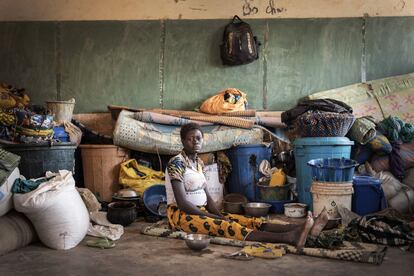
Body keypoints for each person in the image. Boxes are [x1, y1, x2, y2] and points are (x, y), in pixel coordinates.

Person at [165, 123, 328, 249]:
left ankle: (300, 227)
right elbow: (182, 203)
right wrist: (212, 217)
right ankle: (289, 237)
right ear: (183, 141)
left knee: (245, 219)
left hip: (202, 210)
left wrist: (218, 213)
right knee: (227, 225)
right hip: (182, 215)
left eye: (198, 138)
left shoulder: (199, 162)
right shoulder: (176, 163)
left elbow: (207, 197)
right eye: (190, 138)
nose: (195, 141)